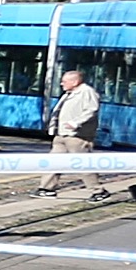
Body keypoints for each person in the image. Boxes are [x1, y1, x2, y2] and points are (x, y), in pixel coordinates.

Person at [44, 65, 104, 193]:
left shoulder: (87, 92)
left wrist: (76, 123)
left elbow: (92, 110)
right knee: (53, 161)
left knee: (82, 164)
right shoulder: (69, 93)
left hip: (77, 136)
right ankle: (46, 188)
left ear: (75, 82)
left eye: (64, 81)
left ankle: (98, 191)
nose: (61, 84)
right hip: (62, 134)